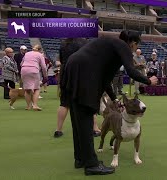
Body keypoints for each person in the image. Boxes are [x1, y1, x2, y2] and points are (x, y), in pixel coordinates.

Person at [61, 30, 158, 176]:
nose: (134, 47)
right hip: (83, 72)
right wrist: (149, 81)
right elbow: (131, 71)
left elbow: (105, 78)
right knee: (86, 118)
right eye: (136, 44)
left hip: (72, 68)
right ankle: (91, 164)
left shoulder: (109, 45)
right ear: (132, 42)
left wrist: (113, 98)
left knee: (78, 118)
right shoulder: (122, 45)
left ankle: (81, 159)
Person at [53, 38, 101, 138]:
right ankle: (95, 128)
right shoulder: (85, 43)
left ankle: (58, 130)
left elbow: (61, 61)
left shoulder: (64, 43)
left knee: (64, 103)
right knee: (89, 102)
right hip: (82, 74)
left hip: (66, 73)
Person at [20, 45, 47, 110]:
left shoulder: (27, 54)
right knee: (36, 88)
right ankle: (35, 105)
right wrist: (45, 75)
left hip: (24, 70)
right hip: (34, 70)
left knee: (27, 89)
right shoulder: (40, 55)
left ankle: (28, 106)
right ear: (40, 50)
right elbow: (43, 66)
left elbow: (21, 64)